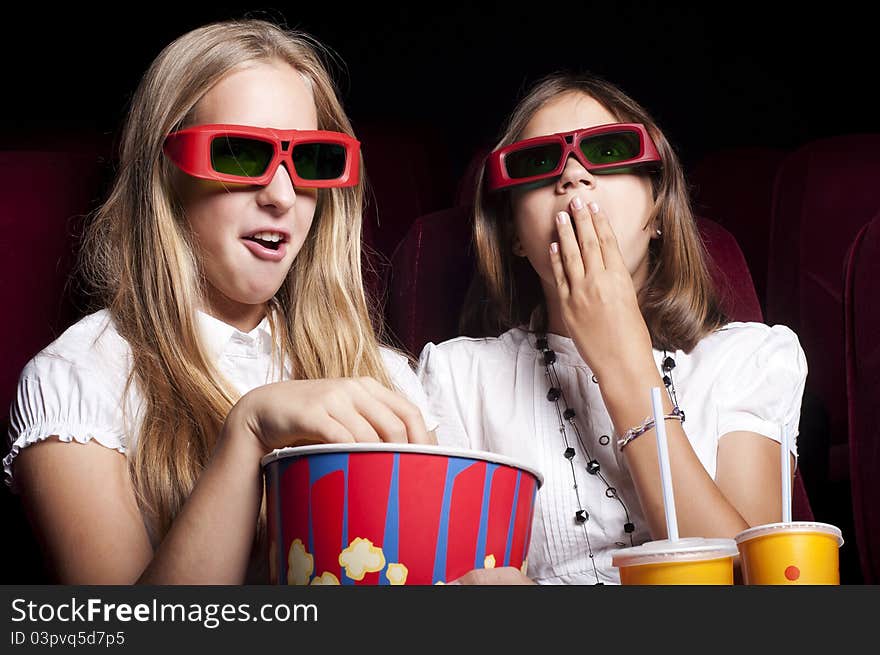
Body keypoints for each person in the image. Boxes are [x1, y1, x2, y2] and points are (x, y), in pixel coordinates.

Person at [3, 19, 437, 584]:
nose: (282, 196)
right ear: (164, 174)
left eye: (310, 161)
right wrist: (248, 431)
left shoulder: (383, 377)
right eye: (238, 154)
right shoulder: (79, 383)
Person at [418, 73, 807, 585]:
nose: (574, 176)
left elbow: (755, 591)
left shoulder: (754, 359)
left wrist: (623, 363)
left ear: (659, 210)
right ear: (514, 233)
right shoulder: (456, 377)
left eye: (609, 150)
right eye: (538, 162)